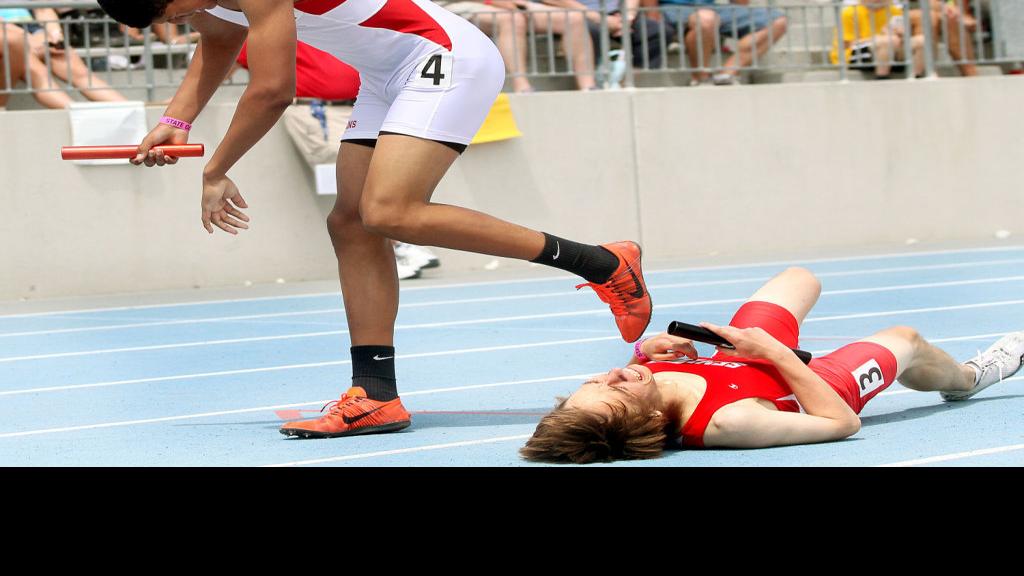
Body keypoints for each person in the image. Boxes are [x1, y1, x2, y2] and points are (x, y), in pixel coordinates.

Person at [94, 0, 652, 439]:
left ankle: (602, 262)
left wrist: (215, 170)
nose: (182, 20)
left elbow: (273, 90)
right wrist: (176, 119)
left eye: (175, 11)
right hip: (387, 74)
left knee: (389, 210)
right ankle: (376, 395)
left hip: (442, 56)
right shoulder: (206, 4)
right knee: (351, 224)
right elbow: (217, 46)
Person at [521, 266, 1024, 463]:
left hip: (742, 356)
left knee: (799, 278)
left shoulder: (643, 386)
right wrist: (775, 354)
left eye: (596, 379)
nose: (612, 375)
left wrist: (646, 355)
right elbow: (839, 423)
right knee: (905, 339)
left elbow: (632, 373)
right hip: (818, 384)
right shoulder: (729, 422)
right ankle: (967, 380)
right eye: (616, 388)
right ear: (651, 421)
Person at [439, 0, 597, 92]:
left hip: (510, 3)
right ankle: (521, 85)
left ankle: (589, 86)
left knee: (573, 18)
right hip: (451, 5)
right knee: (512, 19)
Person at [0, 7, 126, 107]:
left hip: (33, 28)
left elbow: (43, 9)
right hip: (8, 34)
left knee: (77, 70)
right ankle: (78, 113)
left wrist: (56, 36)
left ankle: (129, 108)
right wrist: (28, 38)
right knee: (38, 74)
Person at [658, 0, 787, 85]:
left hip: (712, 8)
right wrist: (653, 17)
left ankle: (726, 75)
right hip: (671, 8)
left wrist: (737, 15)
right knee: (706, 19)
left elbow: (740, 3)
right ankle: (700, 79)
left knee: (778, 22)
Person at [831, 0, 924, 79]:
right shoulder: (849, 12)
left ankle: (915, 78)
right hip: (855, 54)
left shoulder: (894, 11)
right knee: (885, 42)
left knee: (921, 41)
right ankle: (882, 78)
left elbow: (899, 38)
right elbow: (846, 44)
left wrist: (901, 35)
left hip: (891, 48)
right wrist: (878, 38)